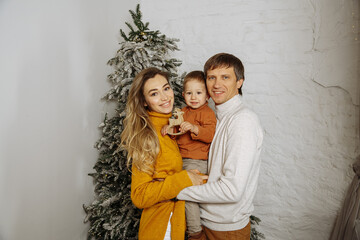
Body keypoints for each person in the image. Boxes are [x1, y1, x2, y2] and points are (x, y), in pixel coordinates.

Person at [177, 53, 264, 240]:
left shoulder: (242, 121)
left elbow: (231, 190)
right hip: (206, 222)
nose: (217, 84)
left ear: (239, 82)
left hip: (226, 230)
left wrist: (175, 189)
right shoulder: (217, 117)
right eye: (211, 77)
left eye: (225, 77)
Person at [120, 67, 208, 240]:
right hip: (161, 229)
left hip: (179, 222)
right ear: (144, 101)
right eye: (154, 94)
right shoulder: (147, 136)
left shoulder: (175, 124)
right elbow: (139, 195)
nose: (165, 97)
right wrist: (182, 179)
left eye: (166, 88)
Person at [161, 71, 216, 238]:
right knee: (170, 189)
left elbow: (210, 135)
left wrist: (194, 128)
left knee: (188, 194)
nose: (194, 97)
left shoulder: (207, 113)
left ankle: (195, 232)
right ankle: (176, 227)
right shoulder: (182, 111)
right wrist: (169, 129)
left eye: (198, 93)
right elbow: (176, 134)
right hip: (180, 160)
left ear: (207, 96)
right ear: (183, 94)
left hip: (196, 162)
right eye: (189, 93)